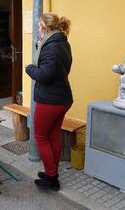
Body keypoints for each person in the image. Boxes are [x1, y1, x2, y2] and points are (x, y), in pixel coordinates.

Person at [25, 13, 73, 191]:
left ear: (45, 28)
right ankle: (52, 172)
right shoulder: (61, 43)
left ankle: (52, 178)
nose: (37, 30)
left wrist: (30, 68)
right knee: (52, 136)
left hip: (50, 99)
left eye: (39, 27)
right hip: (61, 98)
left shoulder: (51, 47)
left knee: (40, 137)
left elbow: (44, 75)